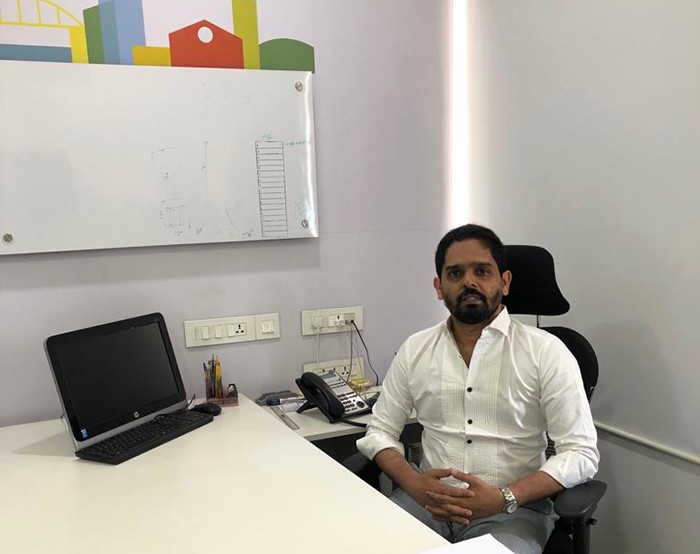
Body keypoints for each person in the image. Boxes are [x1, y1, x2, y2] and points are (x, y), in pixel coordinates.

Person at [356, 224, 599, 554]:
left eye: (482, 271)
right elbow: (379, 432)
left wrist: (504, 497)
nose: (468, 282)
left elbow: (581, 453)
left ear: (505, 282)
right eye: (455, 273)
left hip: (512, 512)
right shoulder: (415, 349)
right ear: (439, 287)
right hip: (426, 505)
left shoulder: (547, 352)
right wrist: (415, 484)